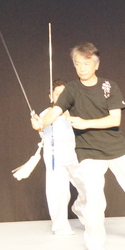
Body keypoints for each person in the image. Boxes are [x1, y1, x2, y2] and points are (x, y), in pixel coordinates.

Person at [32, 42, 125, 250]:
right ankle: (95, 241)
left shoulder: (109, 86)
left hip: (116, 147)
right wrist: (41, 123)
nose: (81, 68)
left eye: (86, 63)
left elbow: (114, 119)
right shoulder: (71, 89)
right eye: (77, 64)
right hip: (88, 152)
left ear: (96, 65)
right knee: (93, 197)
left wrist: (85, 123)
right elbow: (54, 112)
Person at [33, 79, 79, 235]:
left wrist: (67, 112)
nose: (61, 97)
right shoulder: (46, 114)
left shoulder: (76, 111)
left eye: (64, 94)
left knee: (89, 189)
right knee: (58, 192)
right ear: (50, 96)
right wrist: (38, 124)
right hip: (55, 158)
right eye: (57, 94)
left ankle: (83, 212)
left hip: (77, 156)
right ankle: (60, 227)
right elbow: (41, 125)